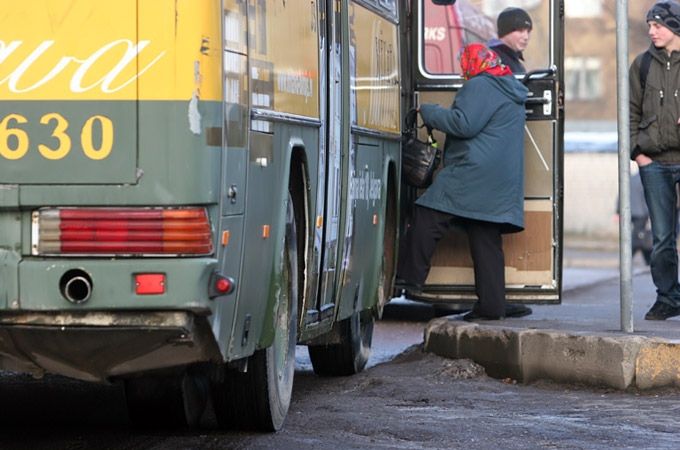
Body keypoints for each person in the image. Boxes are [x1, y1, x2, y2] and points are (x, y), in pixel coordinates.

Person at [396, 43, 530, 321]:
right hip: (500, 180)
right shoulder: (507, 85)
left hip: (473, 173)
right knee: (485, 237)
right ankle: (492, 306)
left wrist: (428, 111)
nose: (461, 72)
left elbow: (463, 124)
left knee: (427, 214)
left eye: (463, 65)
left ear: (474, 63)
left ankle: (408, 279)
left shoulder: (481, 85)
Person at [630, 0, 680, 320]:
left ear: (675, 27)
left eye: (658, 24)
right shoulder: (642, 65)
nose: (651, 30)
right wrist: (638, 154)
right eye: (650, 25)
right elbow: (630, 111)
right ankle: (668, 297)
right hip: (655, 163)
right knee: (662, 237)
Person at [488, 7, 533, 75]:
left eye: (528, 31)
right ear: (505, 32)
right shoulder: (493, 60)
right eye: (520, 31)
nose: (526, 37)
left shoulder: (514, 61)